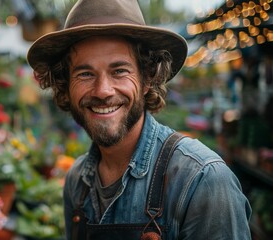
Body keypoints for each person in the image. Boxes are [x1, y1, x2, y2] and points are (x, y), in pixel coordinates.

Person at [26, 0, 252, 239]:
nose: (103, 91)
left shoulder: (202, 180)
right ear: (66, 86)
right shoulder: (77, 181)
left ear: (147, 78)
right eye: (85, 73)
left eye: (119, 71)